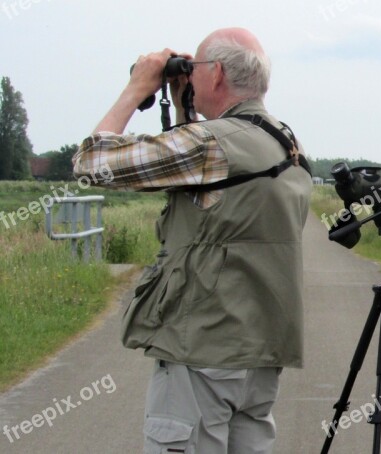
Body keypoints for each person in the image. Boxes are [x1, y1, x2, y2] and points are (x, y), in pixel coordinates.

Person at [73, 28, 312, 453]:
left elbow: (93, 164)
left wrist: (137, 87)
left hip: (203, 348)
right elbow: (211, 191)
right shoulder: (285, 142)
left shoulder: (209, 144)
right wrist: (187, 106)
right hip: (259, 356)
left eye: (196, 69)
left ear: (216, 73)